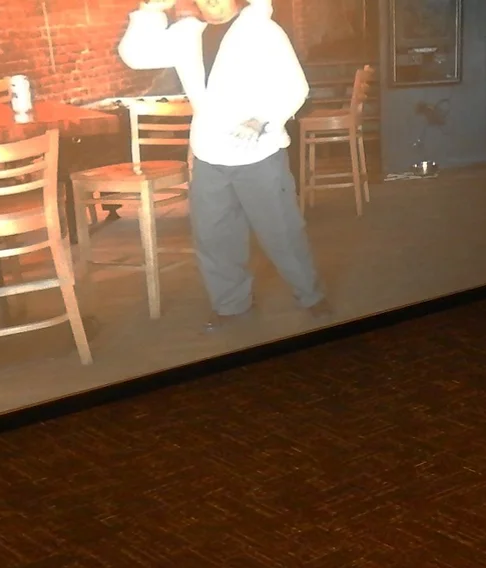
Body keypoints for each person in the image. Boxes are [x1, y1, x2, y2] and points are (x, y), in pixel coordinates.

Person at [118, 0, 329, 330]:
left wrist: (263, 120)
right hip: (209, 153)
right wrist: (150, 12)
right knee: (214, 236)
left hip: (259, 152)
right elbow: (136, 55)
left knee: (281, 231)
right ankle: (231, 304)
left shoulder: (262, 30)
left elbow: (295, 87)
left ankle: (310, 295)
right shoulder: (188, 34)